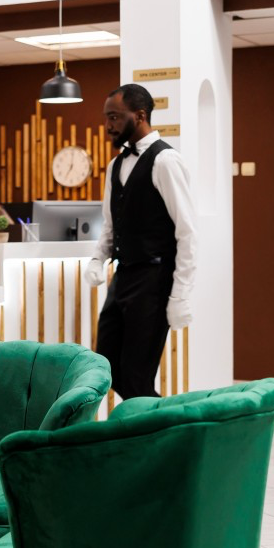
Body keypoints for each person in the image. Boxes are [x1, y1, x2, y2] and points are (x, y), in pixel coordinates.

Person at [84, 84, 197, 399]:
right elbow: (111, 225)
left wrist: (180, 295)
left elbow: (187, 232)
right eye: (107, 117)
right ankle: (157, 422)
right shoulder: (116, 165)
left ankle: (162, 428)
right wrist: (97, 259)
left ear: (140, 115)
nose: (108, 125)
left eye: (115, 117)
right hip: (123, 277)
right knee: (107, 367)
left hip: (154, 279)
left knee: (137, 377)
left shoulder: (166, 161)